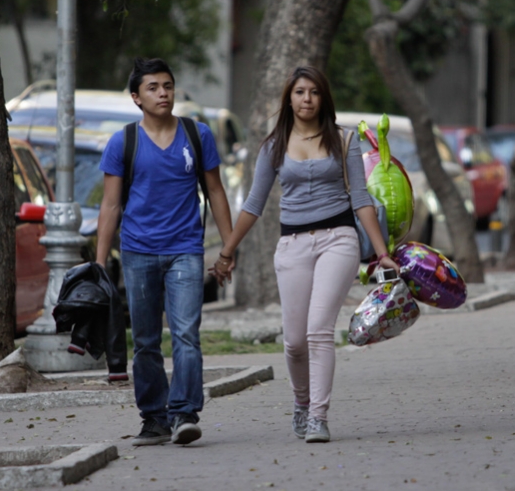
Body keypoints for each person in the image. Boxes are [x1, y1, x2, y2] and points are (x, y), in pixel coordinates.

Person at [210, 66, 399, 443]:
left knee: (318, 331)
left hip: (338, 240)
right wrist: (227, 251)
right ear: (290, 98)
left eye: (313, 92)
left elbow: (361, 199)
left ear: (323, 98)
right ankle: (301, 403)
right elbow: (253, 204)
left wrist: (382, 255)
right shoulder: (273, 146)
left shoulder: (344, 140)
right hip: (292, 245)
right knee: (294, 340)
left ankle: (318, 416)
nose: (307, 99)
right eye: (300, 92)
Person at [95, 58, 234, 446]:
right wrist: (100, 262)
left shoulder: (197, 134)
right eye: (153, 87)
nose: (163, 93)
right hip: (138, 252)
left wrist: (228, 246)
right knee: (145, 340)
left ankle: (184, 413)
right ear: (137, 97)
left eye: (168, 86)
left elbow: (216, 191)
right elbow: (110, 206)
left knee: (187, 333)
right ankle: (154, 417)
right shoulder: (124, 141)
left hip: (185, 250)